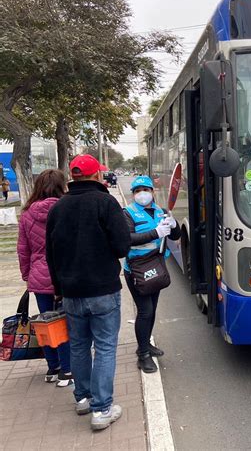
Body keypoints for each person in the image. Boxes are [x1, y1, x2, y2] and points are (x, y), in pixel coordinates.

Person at [46, 154, 131, 431]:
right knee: (105, 347)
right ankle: (102, 409)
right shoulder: (106, 202)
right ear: (96, 176)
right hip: (103, 289)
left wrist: (59, 290)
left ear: (73, 176)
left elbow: (51, 254)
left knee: (80, 346)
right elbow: (121, 247)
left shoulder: (58, 208)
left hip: (70, 292)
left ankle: (82, 398)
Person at [17, 169, 72, 386]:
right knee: (66, 323)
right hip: (64, 274)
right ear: (61, 187)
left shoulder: (28, 214)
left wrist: (27, 275)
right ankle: (67, 371)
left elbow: (23, 250)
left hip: (39, 276)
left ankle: (53, 367)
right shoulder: (66, 209)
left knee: (46, 323)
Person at [123, 176, 180, 373]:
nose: (142, 194)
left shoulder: (161, 211)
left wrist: (173, 225)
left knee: (153, 309)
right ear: (133, 194)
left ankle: (146, 344)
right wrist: (156, 232)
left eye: (145, 189)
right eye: (137, 191)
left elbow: (175, 236)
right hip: (137, 269)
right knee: (145, 311)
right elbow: (128, 239)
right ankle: (143, 355)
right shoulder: (128, 213)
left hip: (155, 265)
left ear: (152, 191)